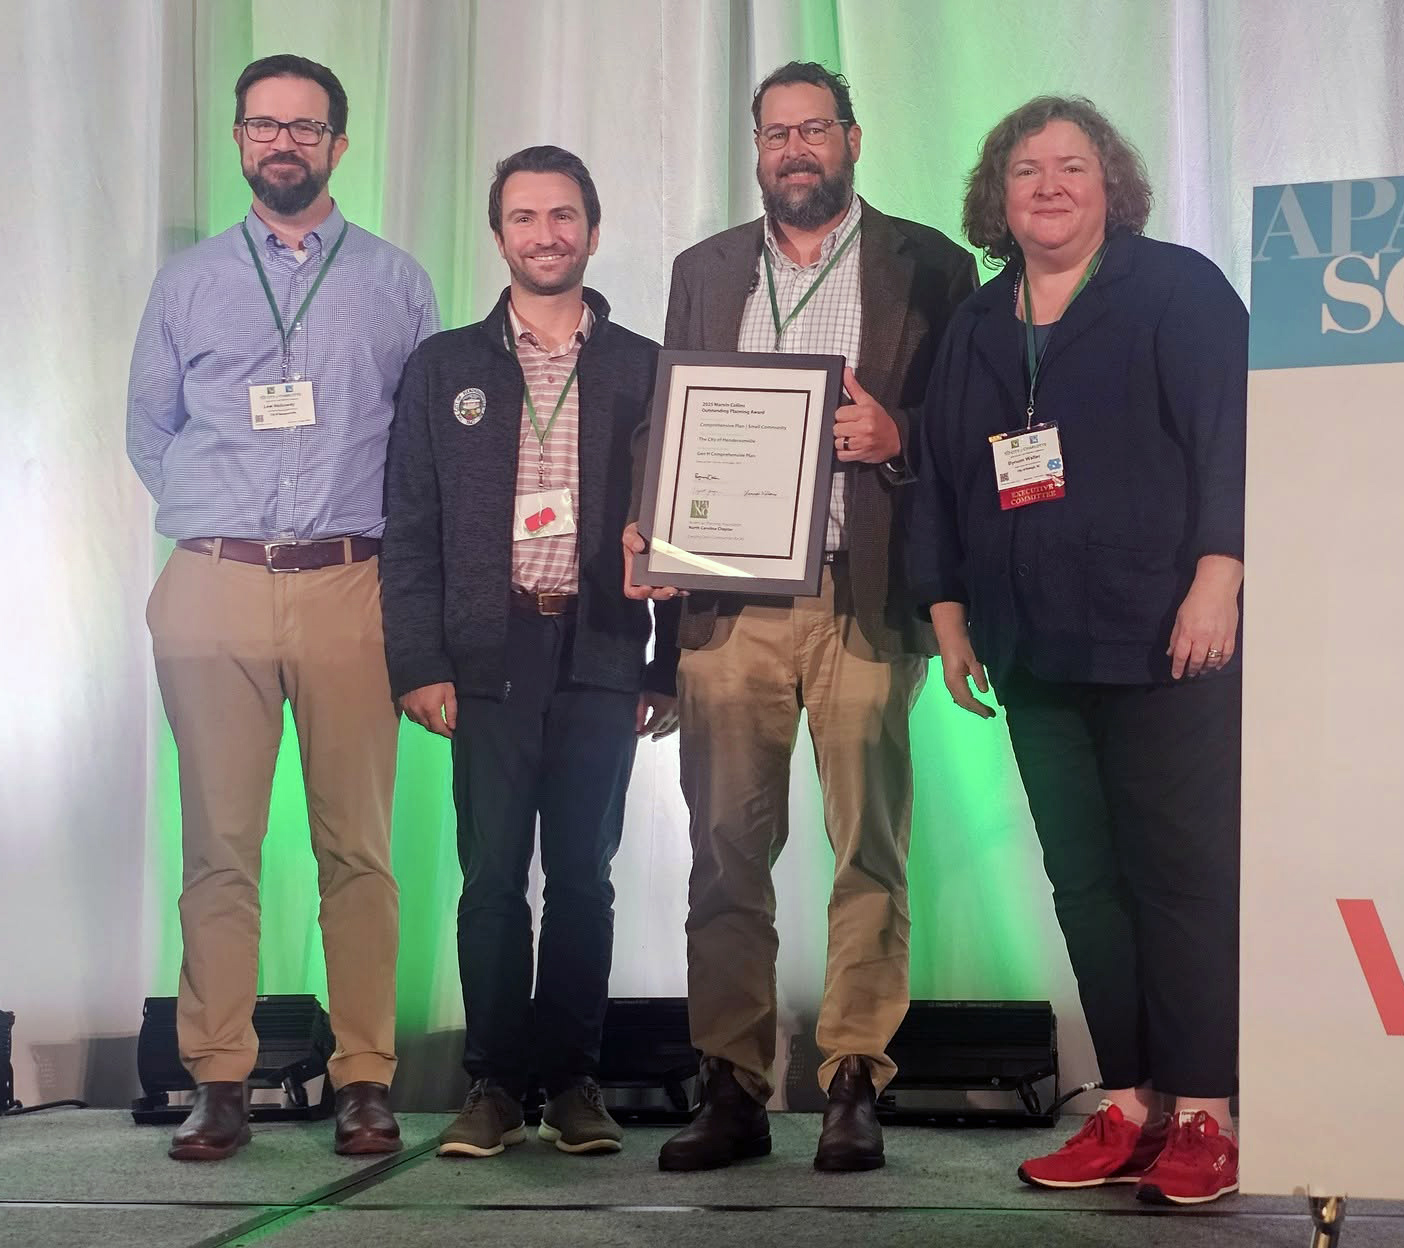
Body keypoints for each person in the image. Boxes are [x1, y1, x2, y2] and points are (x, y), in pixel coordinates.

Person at [624, 61, 977, 1173]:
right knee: (726, 853)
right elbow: (668, 420)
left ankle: (854, 1078)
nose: (795, 150)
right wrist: (648, 524)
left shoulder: (932, 264)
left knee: (869, 843)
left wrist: (899, 435)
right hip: (729, 602)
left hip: (861, 592)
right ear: (758, 148)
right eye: (776, 133)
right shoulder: (705, 268)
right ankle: (730, 1082)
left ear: (853, 140)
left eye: (814, 129)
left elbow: (966, 423)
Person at [908, 96, 1246, 1206]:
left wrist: (1220, 575)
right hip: (1034, 649)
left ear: (1112, 185)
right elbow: (942, 476)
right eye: (1026, 170)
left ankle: (1208, 1111)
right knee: (1086, 886)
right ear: (996, 196)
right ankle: (1132, 1102)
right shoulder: (976, 323)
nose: (1048, 186)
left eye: (1072, 166)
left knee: (1180, 877)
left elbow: (1233, 438)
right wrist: (947, 615)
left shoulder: (1179, 290)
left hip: (1166, 642)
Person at [127, 54, 439, 1161]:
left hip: (353, 582)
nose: (284, 143)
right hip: (214, 583)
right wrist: (223, 520)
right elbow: (150, 430)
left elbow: (423, 449)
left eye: (306, 127)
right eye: (264, 125)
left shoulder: (397, 281)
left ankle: (364, 1077)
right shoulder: (189, 282)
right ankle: (218, 1076)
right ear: (239, 140)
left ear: (339, 146)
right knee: (219, 845)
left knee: (359, 847)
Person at [381, 146, 679, 1160]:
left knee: (586, 877)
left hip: (602, 645)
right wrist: (418, 661)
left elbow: (683, 527)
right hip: (486, 650)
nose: (544, 235)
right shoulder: (444, 367)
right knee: (492, 877)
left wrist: (665, 665)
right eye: (523, 217)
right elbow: (409, 526)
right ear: (498, 233)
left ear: (592, 230)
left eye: (562, 216)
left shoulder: (646, 366)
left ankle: (574, 1081)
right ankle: (496, 1084)